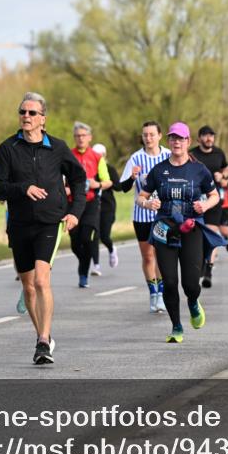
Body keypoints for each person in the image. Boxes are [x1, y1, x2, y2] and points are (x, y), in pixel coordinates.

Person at [0, 93, 85, 365]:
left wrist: (74, 212)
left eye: (32, 113)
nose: (26, 117)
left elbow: (78, 178)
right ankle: (42, 335)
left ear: (43, 118)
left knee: (42, 280)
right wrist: (23, 188)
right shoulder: (8, 148)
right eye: (23, 112)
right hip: (19, 224)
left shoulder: (57, 147)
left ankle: (43, 341)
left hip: (49, 221)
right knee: (29, 287)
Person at [136, 122, 220, 343]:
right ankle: (176, 327)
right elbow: (141, 196)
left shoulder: (199, 169)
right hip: (165, 228)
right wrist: (147, 204)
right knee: (170, 282)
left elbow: (214, 195)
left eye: (181, 139)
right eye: (173, 138)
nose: (176, 142)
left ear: (188, 142)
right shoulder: (159, 169)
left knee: (191, 284)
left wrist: (206, 206)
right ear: (169, 141)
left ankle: (193, 302)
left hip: (191, 228)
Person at [120, 121, 170, 313]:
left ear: (159, 136)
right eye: (145, 135)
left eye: (151, 134)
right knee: (148, 256)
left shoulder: (168, 156)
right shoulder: (136, 158)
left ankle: (163, 293)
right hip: (142, 215)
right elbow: (123, 188)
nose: (148, 138)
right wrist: (132, 178)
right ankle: (153, 293)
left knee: (161, 255)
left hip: (164, 215)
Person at [69, 123, 111, 288]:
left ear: (90, 138)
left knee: (86, 237)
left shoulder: (96, 156)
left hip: (91, 203)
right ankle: (84, 260)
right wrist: (65, 188)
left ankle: (83, 273)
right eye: (78, 136)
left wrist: (96, 184)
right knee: (75, 242)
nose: (80, 138)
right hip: (72, 203)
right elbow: (60, 178)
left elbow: (108, 181)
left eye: (83, 135)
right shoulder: (68, 155)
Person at [190, 125, 228, 289]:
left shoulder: (219, 153)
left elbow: (227, 169)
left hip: (214, 200)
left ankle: (208, 270)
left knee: (211, 233)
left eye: (211, 136)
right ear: (199, 138)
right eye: (205, 136)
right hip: (196, 201)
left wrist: (223, 175)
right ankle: (201, 263)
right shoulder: (192, 154)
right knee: (200, 235)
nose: (209, 139)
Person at [90, 143, 120, 273]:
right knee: (94, 236)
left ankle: (112, 248)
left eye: (100, 155)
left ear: (104, 155)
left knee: (104, 236)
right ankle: (96, 265)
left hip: (107, 207)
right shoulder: (90, 170)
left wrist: (109, 183)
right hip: (93, 207)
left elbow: (118, 187)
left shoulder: (110, 169)